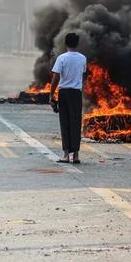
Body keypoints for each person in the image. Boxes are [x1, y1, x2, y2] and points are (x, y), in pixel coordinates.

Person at [49, 33, 87, 164]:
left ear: (65, 43)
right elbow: (82, 74)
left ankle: (65, 155)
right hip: (76, 93)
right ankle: (75, 155)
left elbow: (56, 77)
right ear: (77, 43)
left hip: (64, 93)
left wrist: (51, 94)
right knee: (76, 123)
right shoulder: (82, 58)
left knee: (65, 123)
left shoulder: (62, 58)